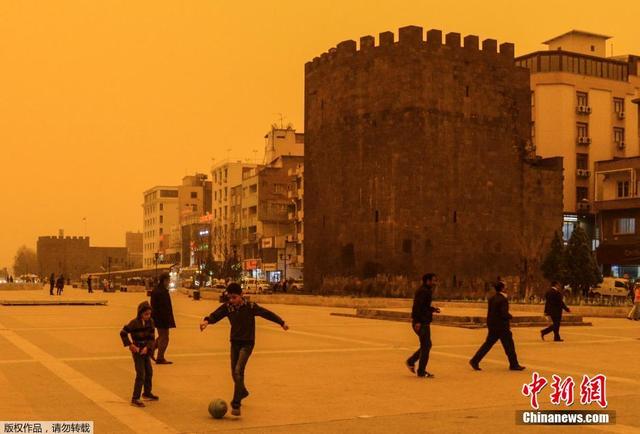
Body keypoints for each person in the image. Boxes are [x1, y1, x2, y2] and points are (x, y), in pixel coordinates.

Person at [200, 282, 289, 416]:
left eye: (234, 297)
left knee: (238, 371)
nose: (232, 300)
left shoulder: (251, 307)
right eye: (229, 298)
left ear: (241, 295)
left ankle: (236, 404)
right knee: (233, 373)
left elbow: (267, 314)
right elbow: (216, 315)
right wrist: (207, 321)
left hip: (247, 343)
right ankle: (242, 391)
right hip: (234, 343)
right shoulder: (228, 307)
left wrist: (281, 322)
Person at [469, 281, 525, 371]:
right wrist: (510, 316)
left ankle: (475, 360)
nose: (507, 288)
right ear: (502, 288)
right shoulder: (503, 299)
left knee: (488, 344)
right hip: (502, 326)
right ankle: (514, 364)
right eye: (505, 286)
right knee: (509, 345)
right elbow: (503, 313)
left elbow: (490, 312)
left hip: (493, 325)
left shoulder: (492, 298)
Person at [120, 301, 158, 407]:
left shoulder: (151, 322)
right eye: (146, 314)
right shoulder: (134, 323)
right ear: (140, 313)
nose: (148, 316)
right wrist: (130, 345)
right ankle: (135, 398)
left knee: (149, 372)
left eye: (149, 314)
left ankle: (147, 392)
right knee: (141, 373)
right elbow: (123, 333)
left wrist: (148, 347)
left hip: (145, 350)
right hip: (137, 351)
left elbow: (152, 337)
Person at [406, 273, 440, 378]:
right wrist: (417, 321)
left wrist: (433, 309)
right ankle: (421, 370)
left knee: (426, 345)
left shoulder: (426, 291)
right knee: (426, 346)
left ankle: (411, 361)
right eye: (433, 280)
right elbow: (417, 307)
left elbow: (424, 306)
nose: (435, 283)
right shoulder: (423, 291)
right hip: (421, 322)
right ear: (427, 281)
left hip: (424, 321)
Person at [150, 273, 176, 364]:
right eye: (168, 280)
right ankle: (160, 358)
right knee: (165, 337)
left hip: (158, 317)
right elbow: (163, 307)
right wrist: (167, 319)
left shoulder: (157, 290)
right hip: (162, 318)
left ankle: (151, 349)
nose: (169, 282)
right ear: (164, 280)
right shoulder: (161, 292)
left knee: (162, 336)